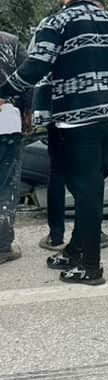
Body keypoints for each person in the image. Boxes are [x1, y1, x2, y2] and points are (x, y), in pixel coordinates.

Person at [0, 0, 108, 285]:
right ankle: (75, 249)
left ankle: (90, 266)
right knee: (91, 187)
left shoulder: (56, 24)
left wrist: (5, 92)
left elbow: (36, 67)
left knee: (86, 190)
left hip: (75, 120)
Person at [35, 0, 108, 251]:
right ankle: (84, 236)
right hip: (77, 113)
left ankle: (64, 235)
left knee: (67, 172)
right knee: (84, 174)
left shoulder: (52, 26)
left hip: (64, 111)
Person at [0, 31, 32, 265]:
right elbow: (28, 78)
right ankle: (2, 245)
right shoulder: (10, 42)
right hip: (6, 120)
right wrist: (27, 112)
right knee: (6, 183)